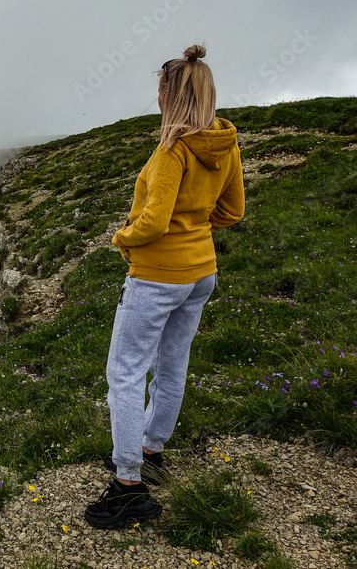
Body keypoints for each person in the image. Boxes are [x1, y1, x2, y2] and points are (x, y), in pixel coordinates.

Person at [83, 44, 245, 529]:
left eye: (160, 90)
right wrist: (193, 233)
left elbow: (152, 223)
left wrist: (120, 237)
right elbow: (231, 212)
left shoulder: (172, 151)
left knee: (126, 374)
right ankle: (151, 449)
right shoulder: (225, 143)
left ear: (169, 97)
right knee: (172, 365)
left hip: (156, 278)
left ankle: (128, 486)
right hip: (201, 274)